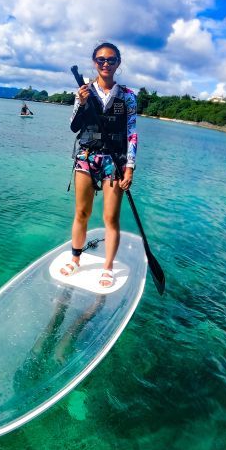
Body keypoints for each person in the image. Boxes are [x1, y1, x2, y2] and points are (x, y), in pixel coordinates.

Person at [59, 42, 137, 288]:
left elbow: (132, 133)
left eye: (111, 60)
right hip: (86, 156)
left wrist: (130, 167)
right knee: (82, 213)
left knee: (110, 218)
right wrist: (81, 103)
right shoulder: (83, 91)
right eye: (101, 59)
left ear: (118, 63)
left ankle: (108, 267)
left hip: (114, 161)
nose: (106, 63)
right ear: (94, 62)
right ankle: (76, 258)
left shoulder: (128, 96)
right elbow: (74, 126)